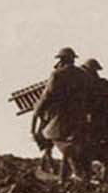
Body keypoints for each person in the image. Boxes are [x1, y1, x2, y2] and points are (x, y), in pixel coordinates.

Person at [32, 47, 91, 181]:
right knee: (72, 142)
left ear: (62, 60)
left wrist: (38, 110)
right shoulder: (83, 75)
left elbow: (47, 95)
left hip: (61, 116)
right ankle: (63, 176)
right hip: (79, 117)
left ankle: (77, 172)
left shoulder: (57, 74)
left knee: (48, 135)